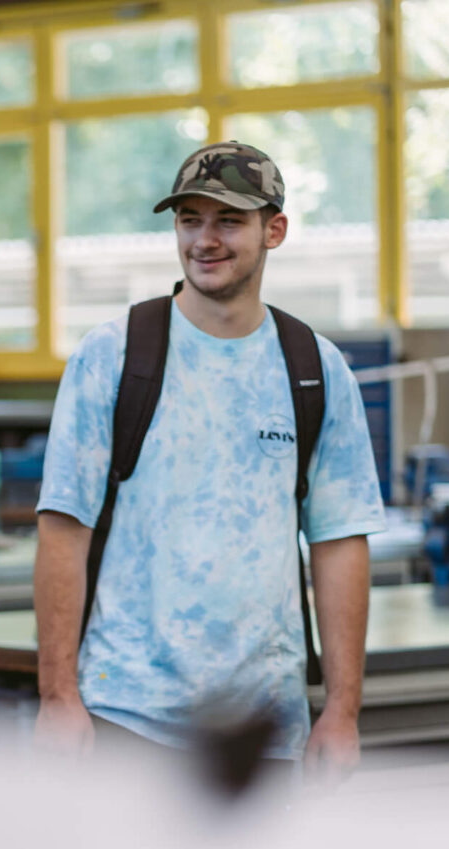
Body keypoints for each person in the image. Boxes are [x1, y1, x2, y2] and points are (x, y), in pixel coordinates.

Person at [32, 141, 385, 772]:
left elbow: (338, 544)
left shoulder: (316, 370)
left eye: (228, 220)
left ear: (273, 229)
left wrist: (342, 710)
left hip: (264, 730)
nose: (205, 239)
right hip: (126, 714)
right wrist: (58, 694)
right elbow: (64, 528)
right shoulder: (112, 356)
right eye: (189, 219)